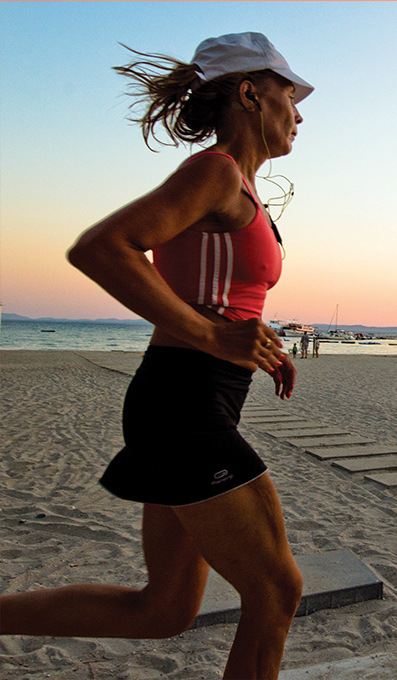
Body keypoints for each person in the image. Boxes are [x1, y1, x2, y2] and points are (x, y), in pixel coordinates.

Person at [0, 32, 312, 680]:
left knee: (164, 609)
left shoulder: (243, 190)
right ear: (250, 93)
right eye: (290, 93)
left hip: (198, 398)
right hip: (183, 403)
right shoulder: (216, 171)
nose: (300, 112)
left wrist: (255, 342)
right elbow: (102, 247)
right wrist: (211, 336)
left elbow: (216, 293)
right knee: (277, 589)